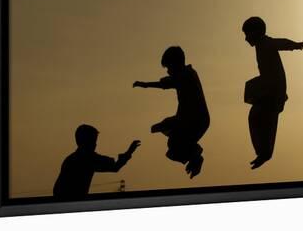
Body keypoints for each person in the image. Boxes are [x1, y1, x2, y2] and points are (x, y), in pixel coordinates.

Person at [133, 46, 210, 178]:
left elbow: (165, 84)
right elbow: (167, 83)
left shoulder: (186, 74)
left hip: (195, 120)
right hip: (190, 119)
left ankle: (195, 154)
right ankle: (193, 155)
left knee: (173, 142)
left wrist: (145, 84)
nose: (168, 72)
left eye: (169, 68)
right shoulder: (187, 73)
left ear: (177, 64)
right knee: (171, 141)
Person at [242, 16, 303, 169]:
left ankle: (265, 152)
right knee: (256, 115)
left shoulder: (265, 42)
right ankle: (263, 152)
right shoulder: (261, 45)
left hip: (273, 89)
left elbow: (280, 42)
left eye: (247, 34)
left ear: (256, 32)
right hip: (269, 87)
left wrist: (294, 45)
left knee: (264, 117)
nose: (245, 39)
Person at [53, 124, 140, 200]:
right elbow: (115, 167)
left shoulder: (70, 159)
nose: (95, 144)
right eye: (93, 141)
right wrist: (129, 152)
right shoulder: (88, 159)